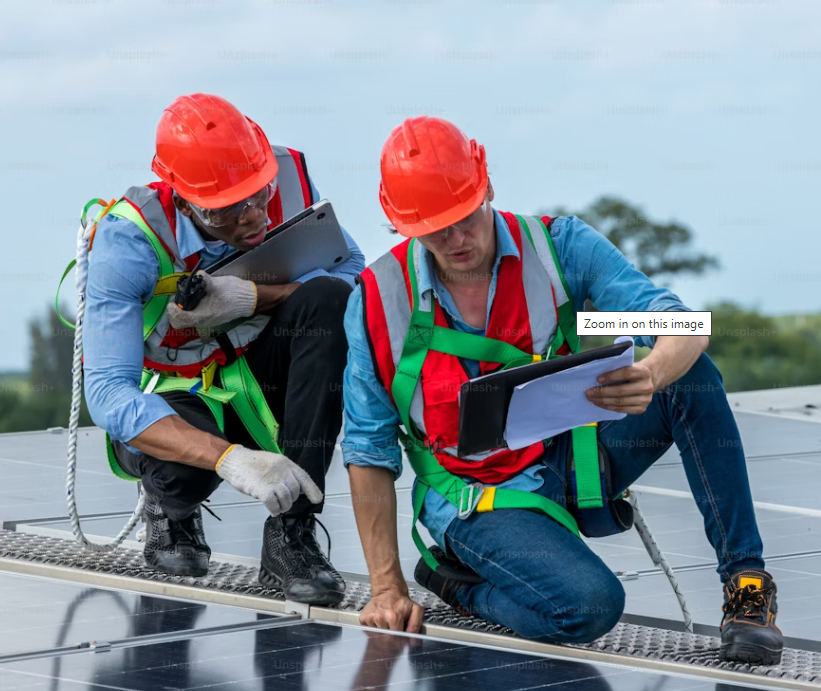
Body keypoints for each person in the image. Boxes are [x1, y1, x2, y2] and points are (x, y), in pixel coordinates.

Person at [341, 116, 783, 664]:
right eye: (434, 228)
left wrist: (651, 373)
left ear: (487, 187)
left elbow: (685, 326)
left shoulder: (559, 248)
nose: (455, 240)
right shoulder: (378, 301)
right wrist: (387, 589)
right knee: (589, 607)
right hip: (478, 497)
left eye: (463, 218)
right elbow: (367, 449)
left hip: (572, 463)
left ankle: (746, 586)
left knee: (691, 376)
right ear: (402, 225)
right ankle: (457, 581)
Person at [82, 93, 365, 605]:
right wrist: (230, 459)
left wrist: (254, 296)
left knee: (329, 301)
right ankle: (170, 508)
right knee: (184, 471)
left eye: (260, 195)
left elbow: (352, 278)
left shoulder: (289, 180)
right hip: (179, 390)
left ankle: (291, 536)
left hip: (260, 371)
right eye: (227, 210)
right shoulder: (131, 239)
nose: (254, 216)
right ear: (183, 201)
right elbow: (106, 393)